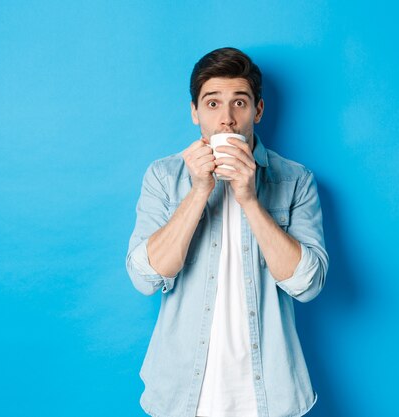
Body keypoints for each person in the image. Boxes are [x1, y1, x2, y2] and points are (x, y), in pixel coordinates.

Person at [126, 47, 329, 417]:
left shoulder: (296, 180)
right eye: (213, 103)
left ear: (258, 110)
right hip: (182, 391)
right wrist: (199, 190)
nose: (227, 120)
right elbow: (145, 276)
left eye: (239, 102)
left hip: (269, 391)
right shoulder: (163, 176)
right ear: (194, 112)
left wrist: (250, 200)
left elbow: (308, 284)